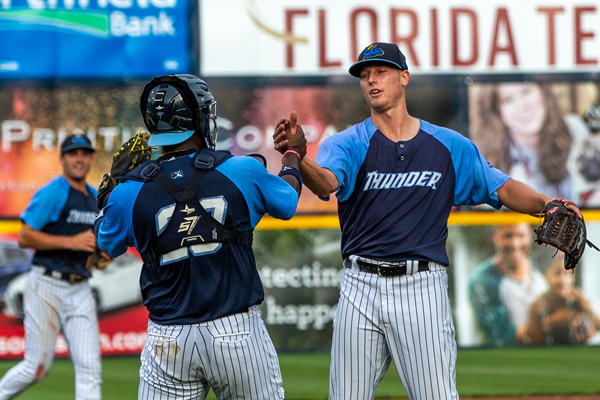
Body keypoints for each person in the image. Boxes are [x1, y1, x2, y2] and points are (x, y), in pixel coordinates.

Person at [273, 42, 584, 400]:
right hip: (360, 286)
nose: (372, 80)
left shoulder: (448, 146)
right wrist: (298, 155)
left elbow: (501, 188)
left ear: (404, 78)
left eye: (381, 72)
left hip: (421, 287)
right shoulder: (347, 143)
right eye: (365, 75)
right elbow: (327, 182)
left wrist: (548, 203)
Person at [94, 74, 306, 400]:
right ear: (199, 120)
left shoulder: (128, 193)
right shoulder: (240, 169)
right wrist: (292, 155)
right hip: (234, 331)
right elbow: (288, 202)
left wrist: (106, 198)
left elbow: (107, 244)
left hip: (169, 339)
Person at [0, 135, 106, 400]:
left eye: (84, 153)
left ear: (91, 157)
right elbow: (25, 236)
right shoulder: (53, 191)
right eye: (73, 153)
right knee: (36, 368)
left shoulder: (95, 197)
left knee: (90, 370)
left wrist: (101, 255)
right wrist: (71, 242)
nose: (79, 159)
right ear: (63, 158)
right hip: (46, 284)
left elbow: (97, 249)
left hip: (80, 287)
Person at [470, 82, 590, 201]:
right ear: (496, 111)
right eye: (508, 100)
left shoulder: (573, 129)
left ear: (543, 91)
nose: (522, 105)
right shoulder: (492, 161)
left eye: (526, 91)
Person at [468, 223, 548, 346]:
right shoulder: (482, 280)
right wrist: (554, 323)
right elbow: (499, 334)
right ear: (495, 236)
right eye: (508, 236)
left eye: (521, 235)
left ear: (530, 236)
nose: (515, 243)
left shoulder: (540, 274)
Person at [523, 255, 600, 345]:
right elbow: (531, 337)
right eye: (557, 273)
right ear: (546, 276)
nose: (563, 280)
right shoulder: (539, 305)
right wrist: (553, 321)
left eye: (568, 274)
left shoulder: (579, 300)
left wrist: (585, 326)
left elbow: (596, 323)